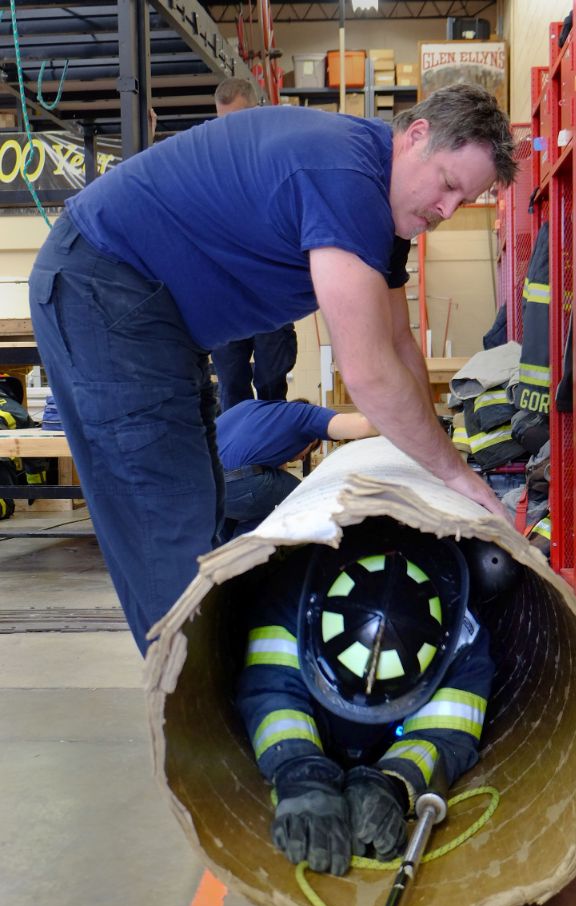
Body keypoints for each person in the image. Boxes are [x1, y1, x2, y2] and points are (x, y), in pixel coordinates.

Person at [29, 83, 517, 654]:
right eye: (449, 185)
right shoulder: (346, 180)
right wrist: (455, 474)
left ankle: (215, 685)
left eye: (465, 203)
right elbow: (368, 372)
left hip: (155, 315)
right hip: (105, 289)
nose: (446, 211)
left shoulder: (380, 211)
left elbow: (397, 341)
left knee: (201, 501)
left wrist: (437, 449)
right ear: (416, 136)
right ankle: (197, 715)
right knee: (167, 516)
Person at [235, 519, 495, 875]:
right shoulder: (289, 598)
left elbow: (446, 734)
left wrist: (392, 783)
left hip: (390, 740)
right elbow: (272, 691)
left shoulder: (463, 641)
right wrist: (301, 773)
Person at [212, 77, 298, 411]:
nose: (231, 131)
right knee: (231, 388)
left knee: (270, 384)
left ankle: (269, 456)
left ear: (256, 110)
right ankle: (237, 462)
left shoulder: (278, 153)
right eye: (224, 123)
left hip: (271, 294)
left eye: (238, 119)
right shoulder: (210, 159)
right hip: (226, 297)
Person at [216, 397, 377, 537]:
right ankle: (244, 554)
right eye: (309, 450)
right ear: (311, 437)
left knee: (230, 524)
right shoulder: (306, 415)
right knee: (303, 495)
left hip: (202, 486)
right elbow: (364, 425)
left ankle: (225, 558)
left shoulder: (253, 410)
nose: (302, 458)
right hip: (239, 481)